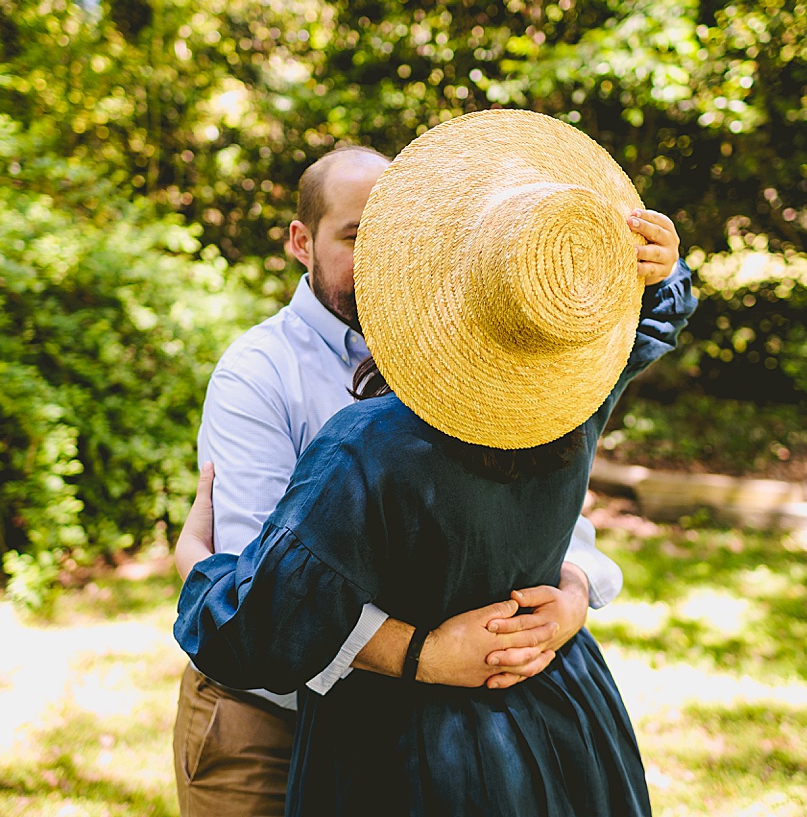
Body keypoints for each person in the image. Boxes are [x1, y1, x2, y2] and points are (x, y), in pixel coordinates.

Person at [175, 109, 698, 816]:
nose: (380, 254)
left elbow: (256, 621)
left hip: (409, 746)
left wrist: (194, 566)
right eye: (359, 236)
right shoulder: (573, 395)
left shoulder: (365, 445)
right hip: (556, 716)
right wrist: (423, 650)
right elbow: (655, 320)